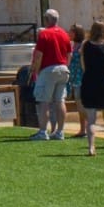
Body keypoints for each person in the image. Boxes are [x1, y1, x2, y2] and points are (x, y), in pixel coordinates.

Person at [27, 9, 73, 141]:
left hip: (48, 69)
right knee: (60, 101)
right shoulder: (64, 34)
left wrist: (37, 70)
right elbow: (69, 55)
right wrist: (66, 66)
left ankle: (43, 132)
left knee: (44, 101)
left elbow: (39, 55)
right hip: (63, 69)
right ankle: (60, 131)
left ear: (47, 19)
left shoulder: (44, 34)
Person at [77, 22, 104, 156]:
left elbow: (83, 66)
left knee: (91, 119)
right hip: (103, 83)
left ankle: (91, 147)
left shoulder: (85, 45)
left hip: (88, 82)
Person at [66, 24, 88, 139]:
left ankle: (88, 127)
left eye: (71, 31)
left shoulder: (84, 44)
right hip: (74, 77)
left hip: (82, 77)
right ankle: (83, 129)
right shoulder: (72, 44)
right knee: (79, 104)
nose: (69, 33)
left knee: (81, 104)